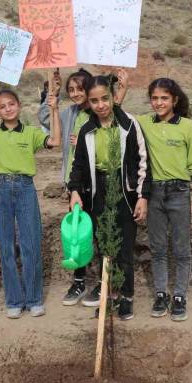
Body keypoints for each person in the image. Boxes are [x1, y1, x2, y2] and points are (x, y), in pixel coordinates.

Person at [68, 75, 150, 321]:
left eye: (105, 98)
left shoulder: (129, 125)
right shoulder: (86, 130)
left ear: (114, 96)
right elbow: (78, 165)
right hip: (98, 193)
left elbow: (143, 162)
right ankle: (109, 295)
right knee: (105, 246)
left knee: (124, 247)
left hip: (124, 191)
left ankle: (126, 297)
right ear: (89, 102)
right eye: (94, 101)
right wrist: (74, 190)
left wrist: (142, 196)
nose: (101, 105)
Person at [132, 78, 192, 321]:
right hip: (155, 194)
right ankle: (161, 294)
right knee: (159, 248)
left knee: (182, 249)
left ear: (174, 100)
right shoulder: (144, 123)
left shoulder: (187, 126)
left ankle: (180, 295)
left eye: (164, 98)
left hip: (180, 192)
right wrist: (120, 86)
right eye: (154, 98)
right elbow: (118, 116)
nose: (159, 102)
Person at [0, 89, 60, 319]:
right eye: (2, 106)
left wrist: (54, 109)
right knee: (6, 246)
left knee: (31, 243)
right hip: (0, 188)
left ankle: (34, 299)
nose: (8, 108)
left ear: (18, 105)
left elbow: (55, 141)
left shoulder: (30, 132)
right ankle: (14, 300)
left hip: (25, 188)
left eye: (11, 104)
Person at [37, 68, 98, 306]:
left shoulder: (99, 112)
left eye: (80, 89)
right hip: (74, 184)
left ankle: (105, 282)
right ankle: (80, 281)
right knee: (76, 235)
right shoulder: (70, 113)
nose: (75, 93)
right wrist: (50, 95)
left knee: (100, 232)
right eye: (71, 89)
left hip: (97, 183)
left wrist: (85, 138)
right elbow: (46, 120)